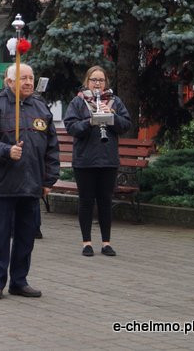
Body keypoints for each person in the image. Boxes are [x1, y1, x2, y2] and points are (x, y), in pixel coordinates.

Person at [0, 63, 59, 300]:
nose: (29, 82)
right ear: (9, 82)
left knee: (26, 237)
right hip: (3, 184)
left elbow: (52, 147)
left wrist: (49, 179)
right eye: (23, 78)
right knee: (0, 236)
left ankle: (19, 281)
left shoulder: (40, 107)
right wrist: (6, 150)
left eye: (31, 78)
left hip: (31, 182)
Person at [63, 65, 132, 257]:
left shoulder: (115, 101)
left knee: (105, 202)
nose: (97, 84)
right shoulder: (78, 101)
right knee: (86, 201)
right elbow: (71, 127)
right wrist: (90, 122)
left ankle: (106, 243)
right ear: (87, 81)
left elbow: (126, 125)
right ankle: (87, 243)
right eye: (94, 80)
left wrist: (112, 116)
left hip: (108, 159)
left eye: (101, 80)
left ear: (105, 82)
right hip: (85, 160)